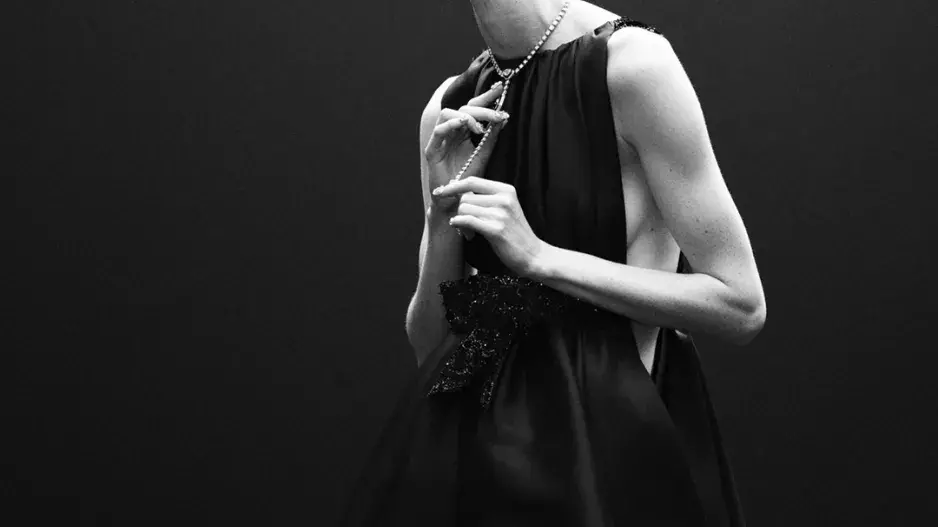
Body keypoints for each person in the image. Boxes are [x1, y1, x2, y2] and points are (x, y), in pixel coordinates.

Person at [341, 1, 766, 525]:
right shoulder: (449, 106)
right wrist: (441, 212)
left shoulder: (630, 66)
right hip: (480, 465)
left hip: (607, 467)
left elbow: (740, 304)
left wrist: (541, 258)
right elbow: (430, 344)